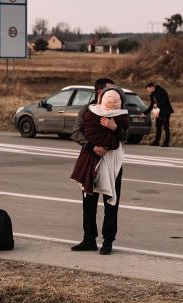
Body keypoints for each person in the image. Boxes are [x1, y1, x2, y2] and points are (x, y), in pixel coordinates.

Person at [70, 82, 129, 255]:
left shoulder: (121, 113)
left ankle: (108, 241)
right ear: (99, 92)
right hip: (91, 158)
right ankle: (89, 239)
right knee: (89, 202)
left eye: (116, 91)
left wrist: (115, 128)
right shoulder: (87, 111)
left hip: (113, 163)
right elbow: (76, 132)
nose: (115, 94)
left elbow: (127, 136)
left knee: (111, 202)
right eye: (110, 90)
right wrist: (92, 146)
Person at [143, 82, 174, 147]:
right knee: (158, 126)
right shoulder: (152, 94)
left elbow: (164, 100)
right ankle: (156, 142)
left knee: (166, 127)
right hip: (158, 111)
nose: (148, 91)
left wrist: (156, 105)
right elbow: (152, 105)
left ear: (152, 87)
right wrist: (144, 113)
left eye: (148, 89)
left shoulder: (162, 91)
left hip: (166, 111)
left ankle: (166, 142)